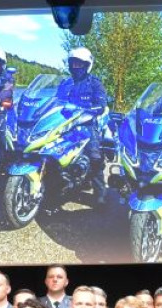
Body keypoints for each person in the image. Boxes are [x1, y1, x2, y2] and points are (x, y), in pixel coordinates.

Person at [56, 47, 108, 197]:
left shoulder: (95, 83)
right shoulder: (66, 83)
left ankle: (100, 194)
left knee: (94, 156)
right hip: (64, 123)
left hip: (87, 124)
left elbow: (101, 104)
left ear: (87, 65)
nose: (76, 67)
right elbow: (55, 100)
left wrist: (90, 109)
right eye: (73, 64)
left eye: (79, 64)